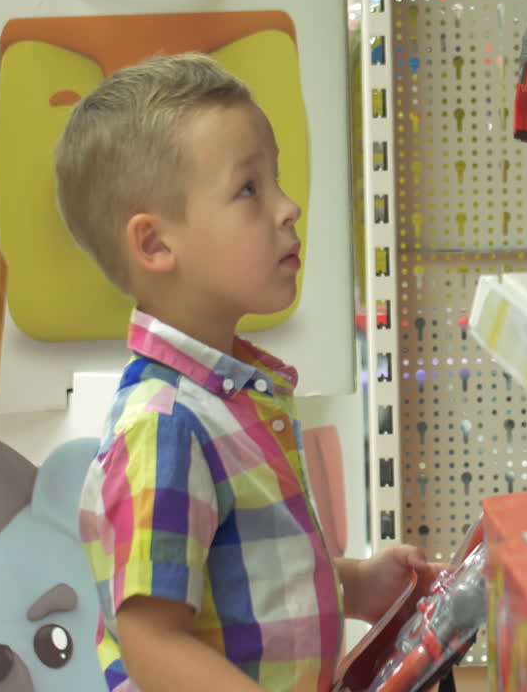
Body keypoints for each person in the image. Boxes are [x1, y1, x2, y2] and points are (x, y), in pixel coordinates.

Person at [56, 53, 436, 692]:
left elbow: (249, 575)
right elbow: (151, 641)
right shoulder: (164, 427)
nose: (288, 208)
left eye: (278, 181)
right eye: (249, 190)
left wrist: (355, 583)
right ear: (154, 244)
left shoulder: (227, 401)